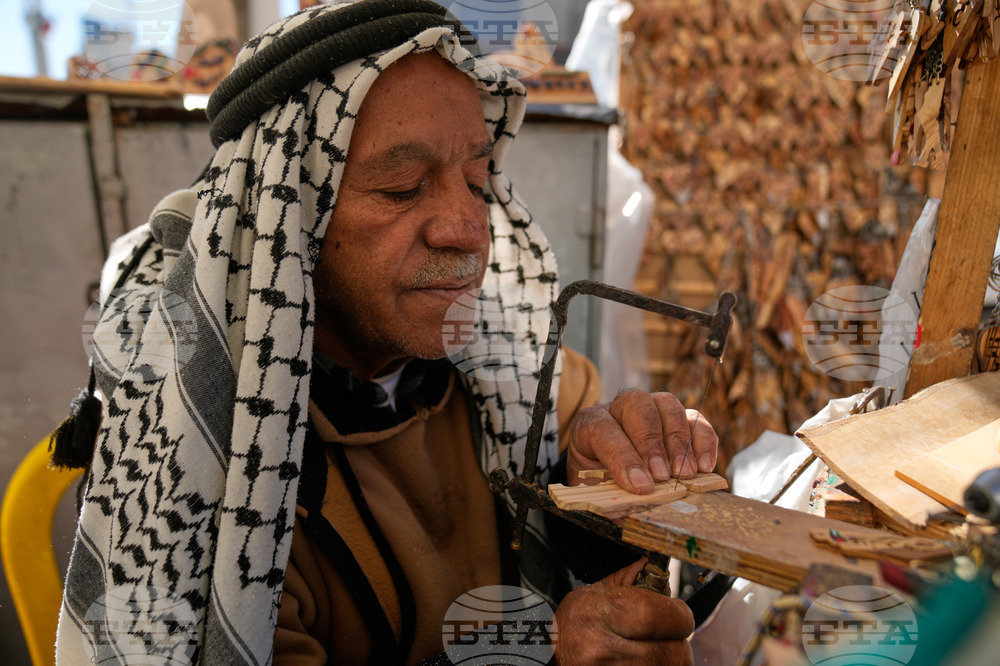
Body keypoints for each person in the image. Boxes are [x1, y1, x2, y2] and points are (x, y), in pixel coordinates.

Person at [55, 1, 719, 664]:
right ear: (292, 216)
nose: (466, 229)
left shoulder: (526, 377)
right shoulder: (207, 467)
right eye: (403, 188)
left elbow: (602, 564)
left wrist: (601, 499)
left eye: (476, 179)